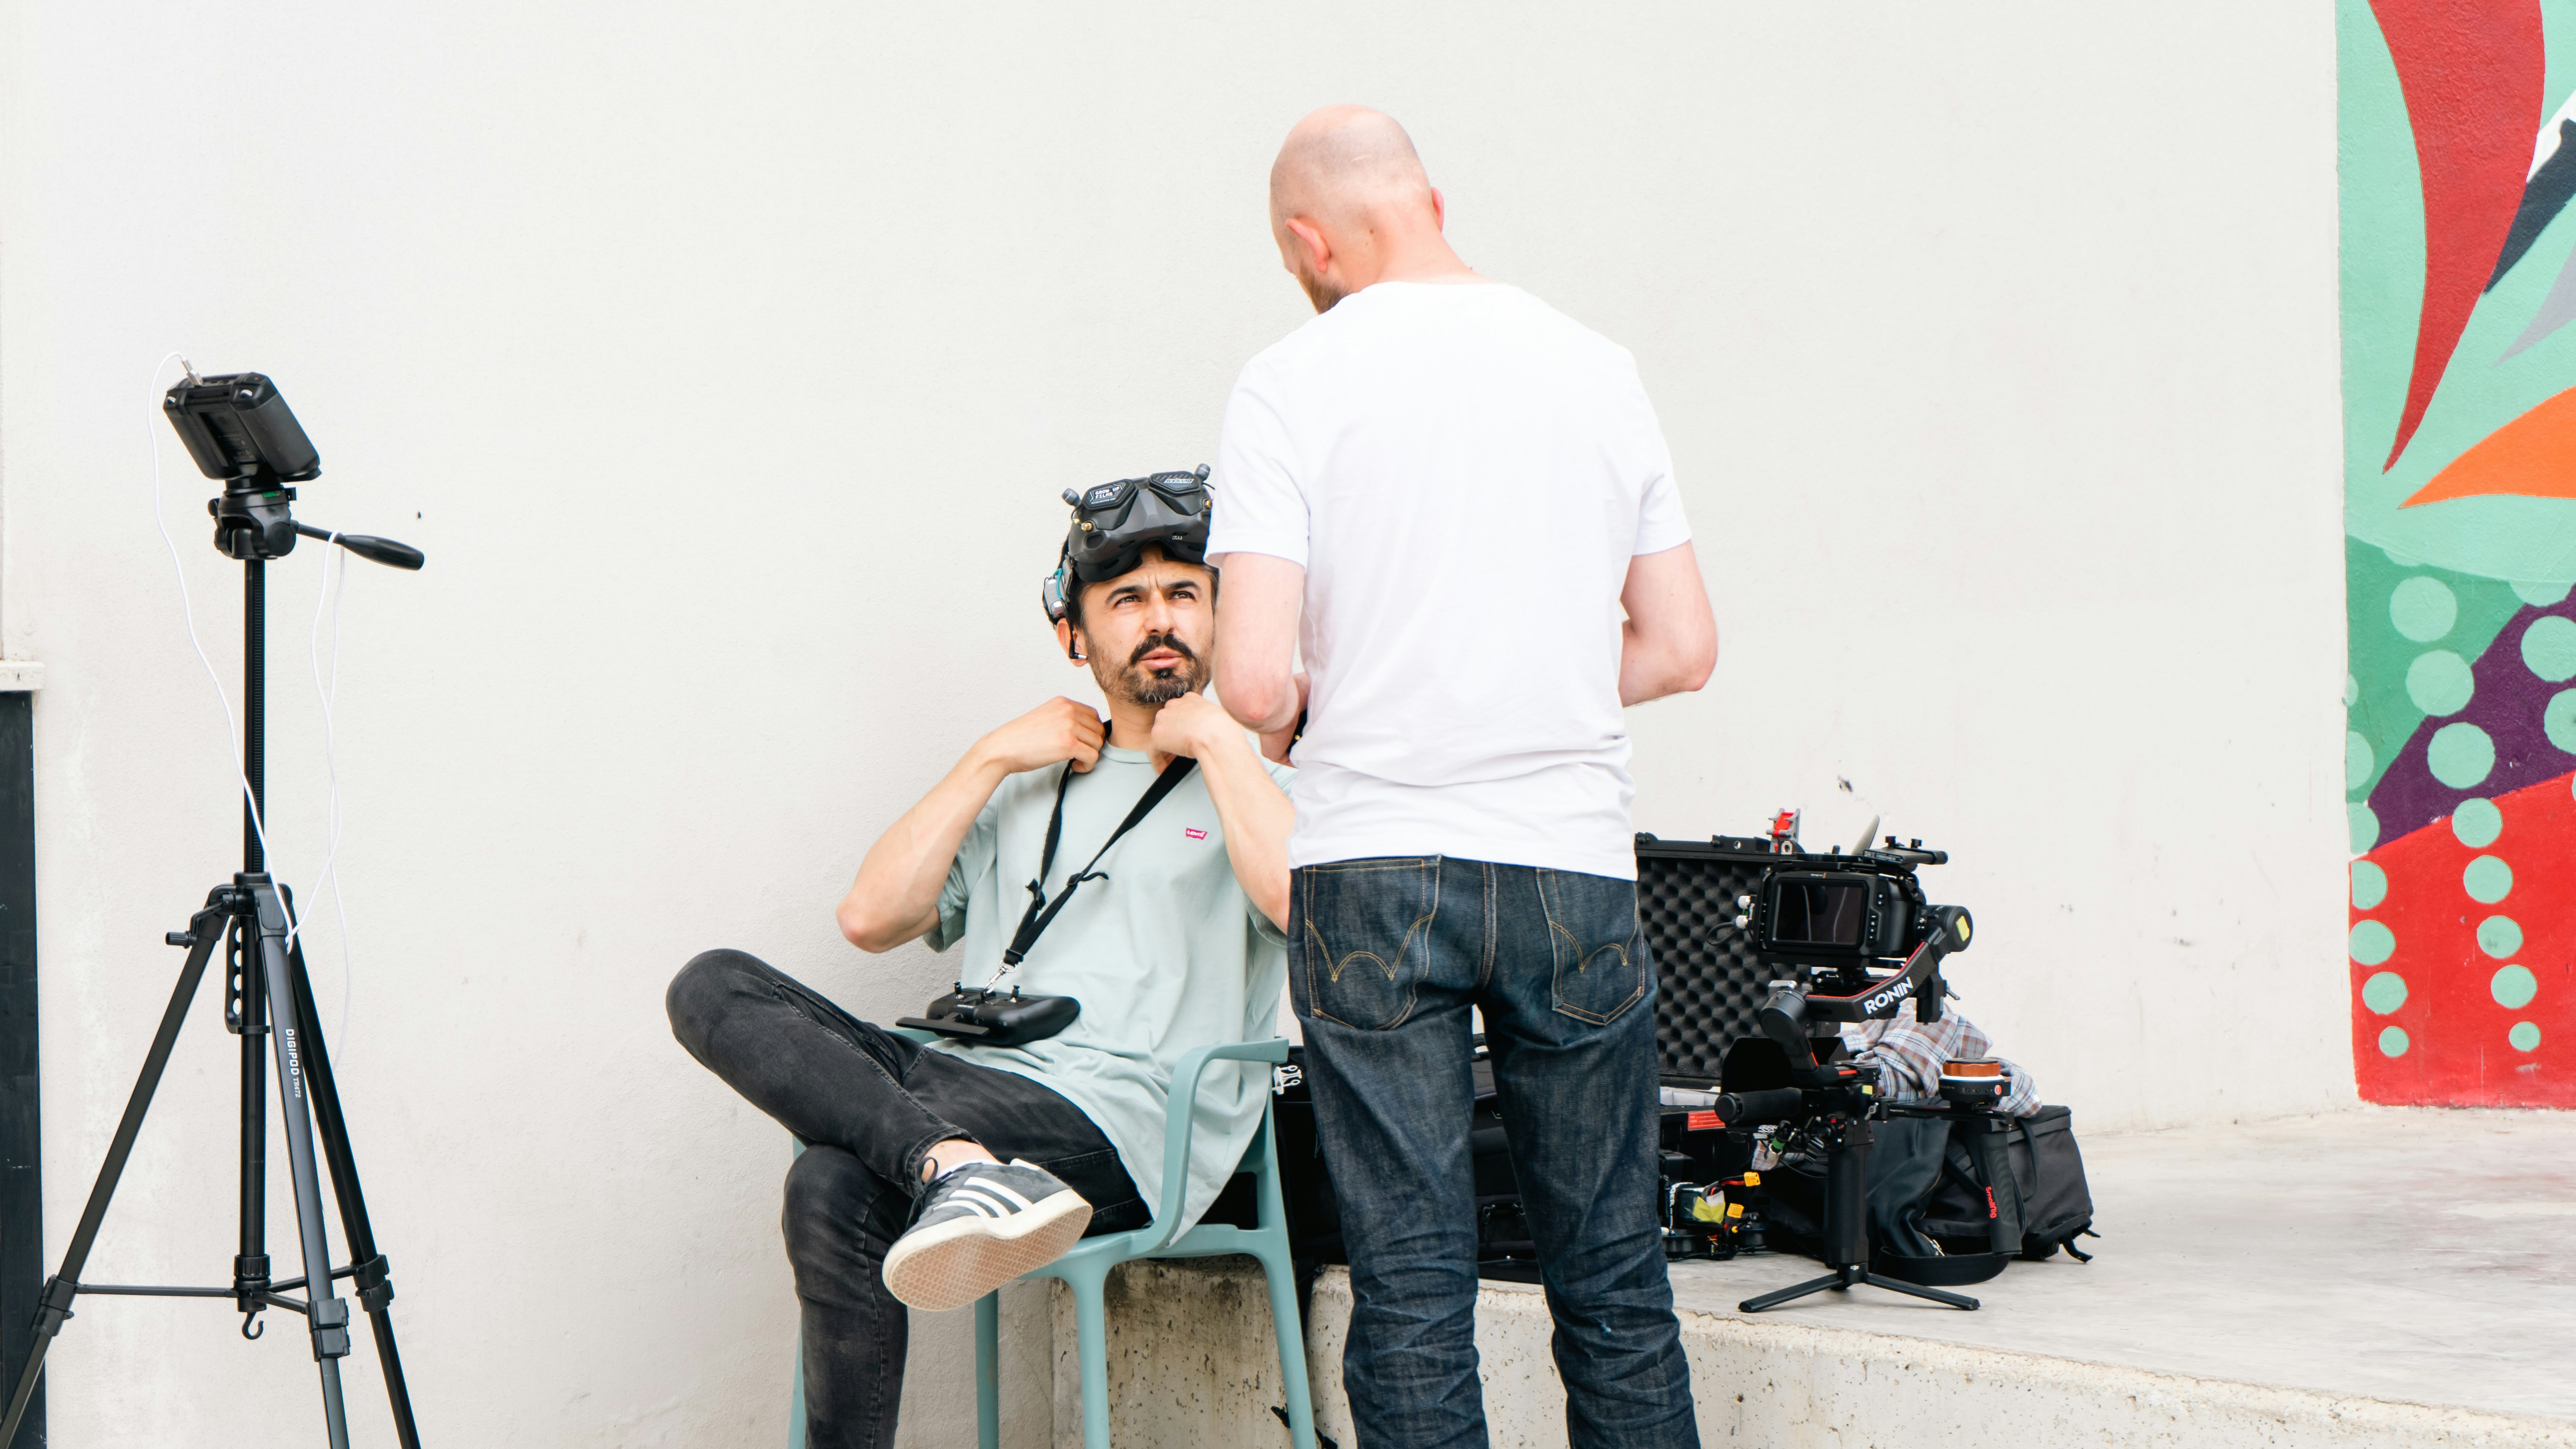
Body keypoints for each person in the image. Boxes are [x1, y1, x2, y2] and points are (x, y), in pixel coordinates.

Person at [1208, 106, 1720, 1449]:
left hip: (1373, 865)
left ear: (1311, 241)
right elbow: (1681, 648)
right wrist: (1531, 683)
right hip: (1570, 863)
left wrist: (1324, 704)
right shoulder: (1596, 366)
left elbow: (1251, 683)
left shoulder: (1291, 379)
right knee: (1613, 1271)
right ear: (1431, 202)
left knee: (1413, 1287)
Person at [666, 469, 1294, 1449]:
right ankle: (954, 1166)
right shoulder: (1027, 781)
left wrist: (1219, 737)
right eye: (1127, 599)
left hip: (1126, 1121)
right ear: (1075, 635)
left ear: (1221, 617)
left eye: (1185, 593)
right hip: (969, 1083)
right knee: (712, 985)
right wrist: (990, 756)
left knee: (833, 1181)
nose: (1160, 619)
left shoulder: (1259, 787)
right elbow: (869, 918)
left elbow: (1301, 907)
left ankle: (950, 1164)